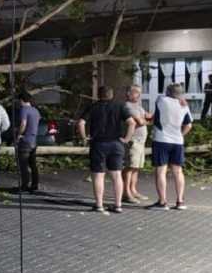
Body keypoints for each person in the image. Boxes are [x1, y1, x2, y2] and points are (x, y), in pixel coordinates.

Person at [76, 86, 136, 214]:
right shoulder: (120, 106)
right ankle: (118, 205)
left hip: (98, 144)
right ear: (112, 95)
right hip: (116, 144)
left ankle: (99, 205)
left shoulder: (93, 107)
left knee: (98, 175)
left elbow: (81, 123)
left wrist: (84, 138)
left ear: (99, 95)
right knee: (117, 175)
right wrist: (126, 139)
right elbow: (132, 123)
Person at [147, 83, 193, 211]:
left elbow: (159, 105)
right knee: (178, 171)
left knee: (161, 171)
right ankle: (180, 201)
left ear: (168, 92)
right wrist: (180, 135)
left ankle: (162, 202)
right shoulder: (184, 105)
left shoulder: (162, 100)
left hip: (161, 140)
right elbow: (189, 125)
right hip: (178, 141)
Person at [123, 85, 153, 203]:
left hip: (141, 142)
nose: (138, 95)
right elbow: (140, 122)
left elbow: (149, 116)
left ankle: (133, 190)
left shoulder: (138, 106)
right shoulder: (127, 106)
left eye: (139, 92)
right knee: (129, 167)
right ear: (128, 93)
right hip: (133, 141)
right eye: (136, 92)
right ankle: (126, 193)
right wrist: (148, 121)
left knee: (136, 168)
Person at [15, 91, 42, 193]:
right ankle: (34, 184)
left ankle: (24, 185)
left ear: (21, 100)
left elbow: (23, 123)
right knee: (33, 164)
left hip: (25, 140)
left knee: (23, 164)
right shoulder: (35, 110)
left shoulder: (24, 110)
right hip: (34, 140)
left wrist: (19, 134)